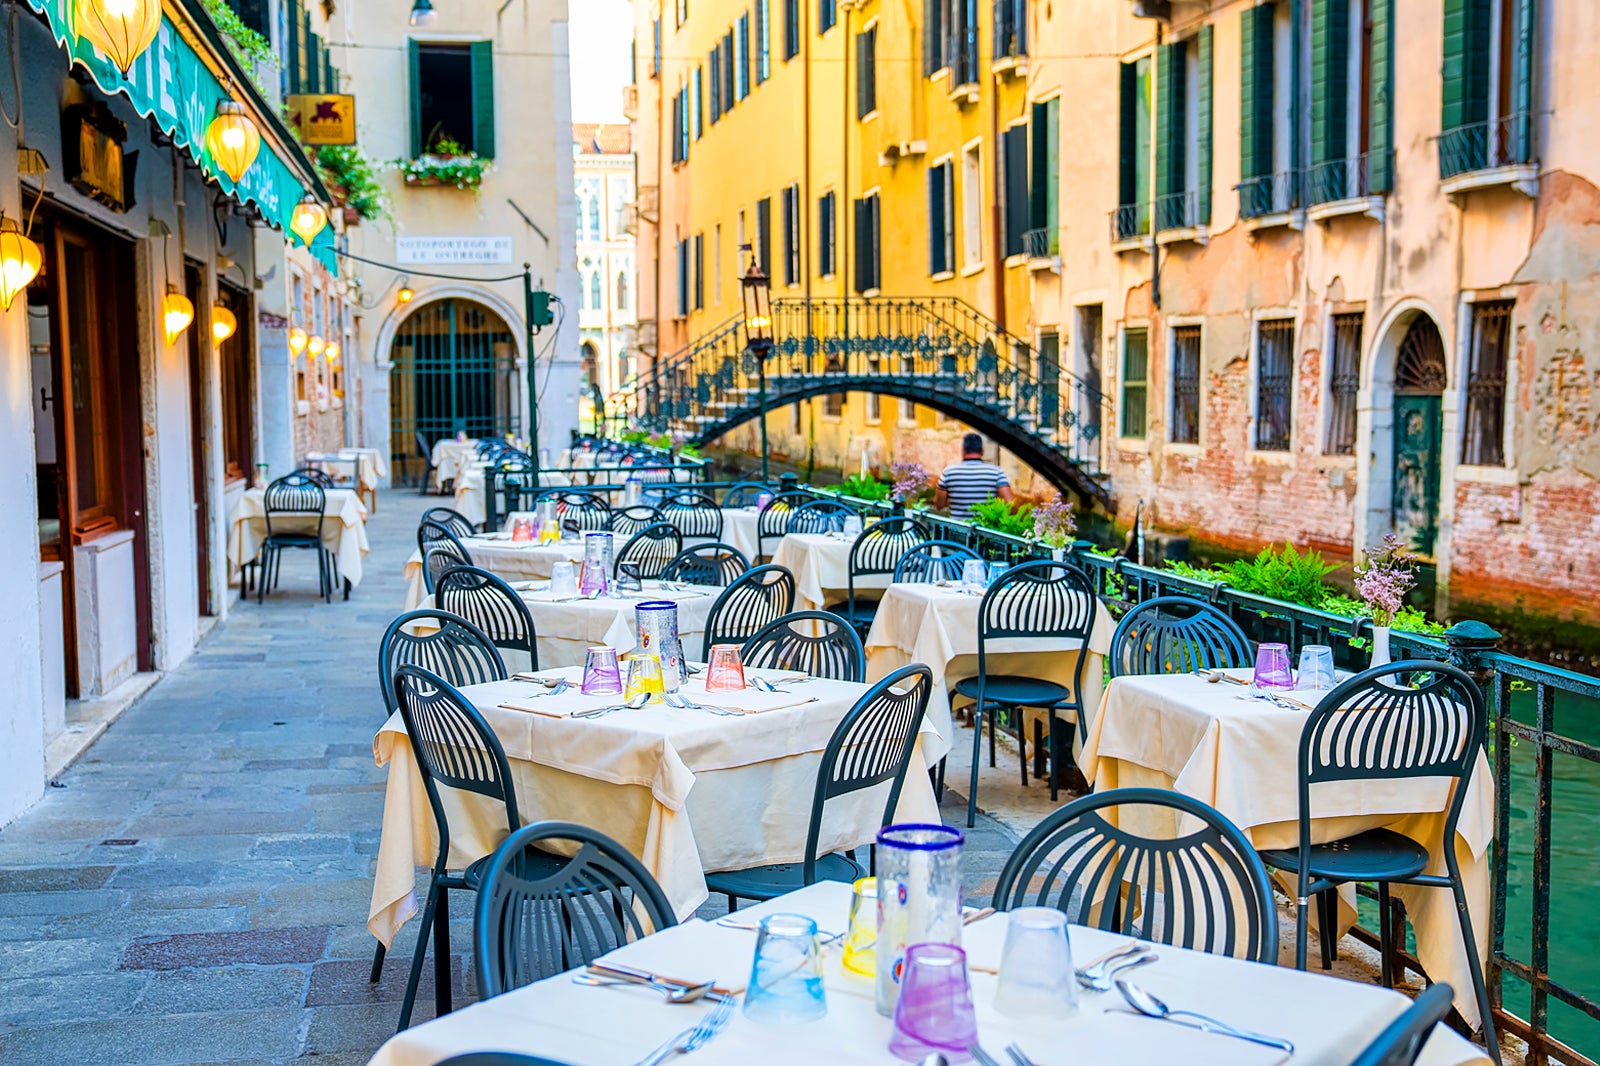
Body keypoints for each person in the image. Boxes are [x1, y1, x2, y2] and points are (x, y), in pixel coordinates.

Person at [934, 433, 1013, 519]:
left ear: (963, 451)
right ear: (982, 452)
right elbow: (1010, 504)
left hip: (957, 529)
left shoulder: (948, 472)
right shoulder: (996, 472)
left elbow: (939, 505)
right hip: (985, 529)